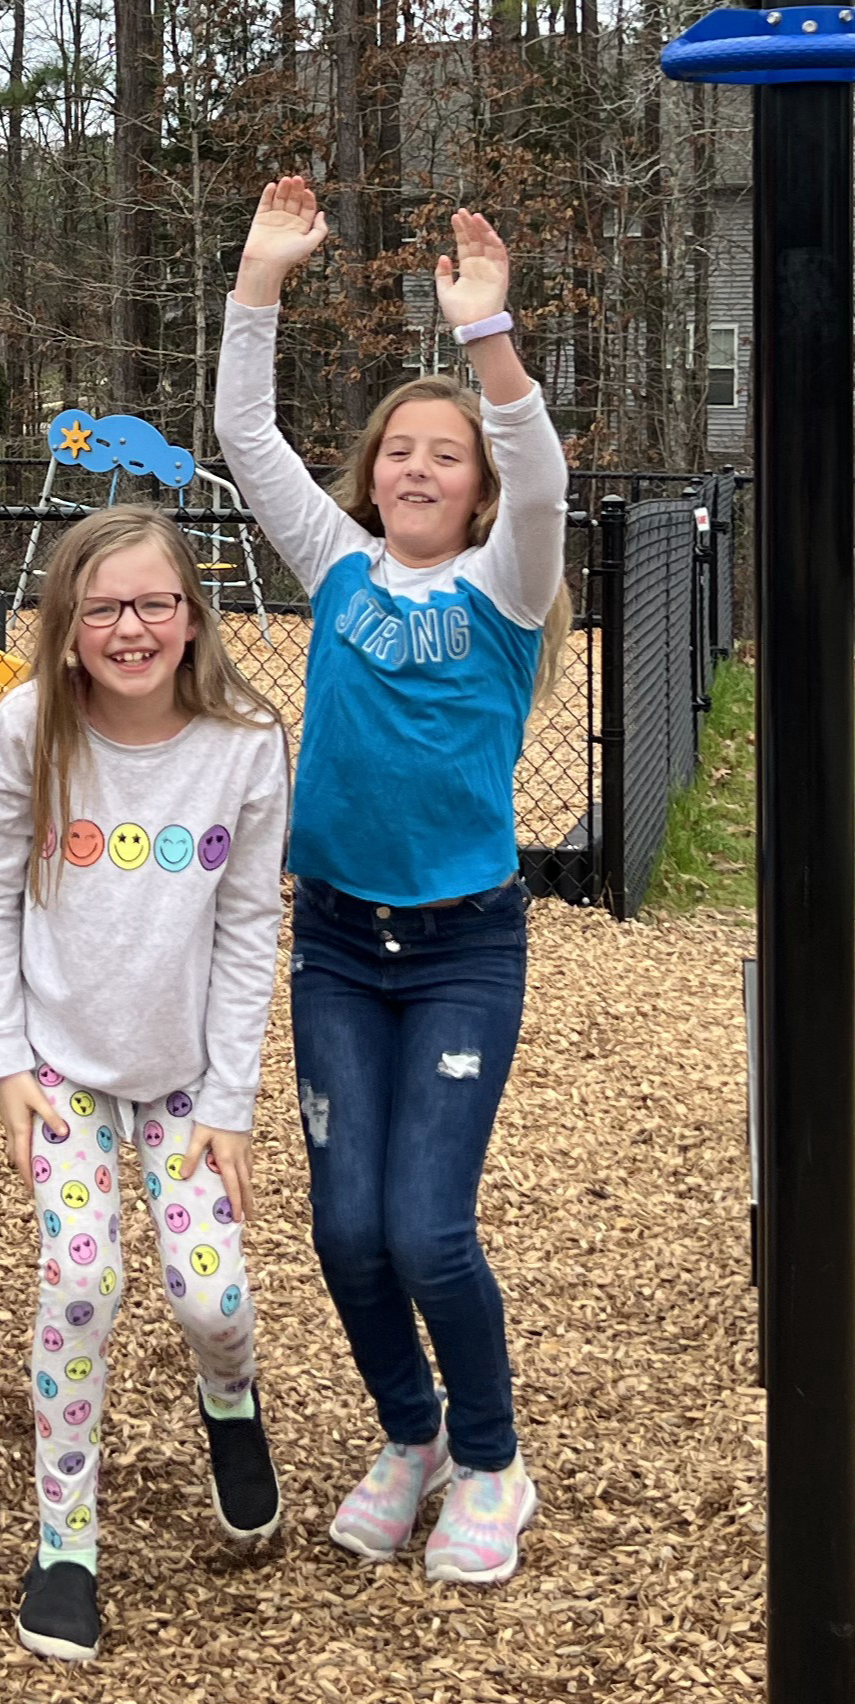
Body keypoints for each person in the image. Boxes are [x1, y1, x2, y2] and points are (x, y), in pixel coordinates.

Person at [211, 174, 569, 1585]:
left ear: (472, 486)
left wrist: (488, 342)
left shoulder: (504, 590)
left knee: (425, 1222)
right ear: (370, 477)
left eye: (447, 456)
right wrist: (257, 284)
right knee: (344, 1224)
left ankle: (490, 1460)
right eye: (400, 454)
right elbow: (243, 434)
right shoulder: (338, 568)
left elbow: (540, 476)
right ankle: (406, 1437)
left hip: (462, 945)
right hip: (338, 946)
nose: (421, 469)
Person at [0, 504, 291, 1662]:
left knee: (212, 1298)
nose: (129, 626)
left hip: (185, 1080)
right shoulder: (21, 731)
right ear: (61, 628)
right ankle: (64, 1543)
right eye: (100, 607)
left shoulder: (244, 744)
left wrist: (234, 1099)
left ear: (193, 618)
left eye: (154, 602)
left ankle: (231, 1400)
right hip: (61, 1069)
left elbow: (250, 928)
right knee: (81, 1277)